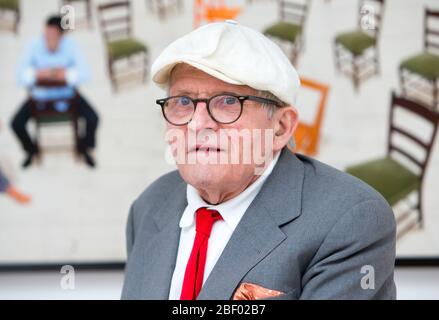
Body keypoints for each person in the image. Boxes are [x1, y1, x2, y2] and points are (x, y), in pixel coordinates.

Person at [121, 21, 396, 300]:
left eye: (227, 101)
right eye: (182, 102)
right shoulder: (148, 207)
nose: (196, 124)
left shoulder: (351, 219)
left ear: (280, 127)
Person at [11, 15, 99, 168]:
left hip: (67, 98)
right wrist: (38, 74)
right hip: (39, 100)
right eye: (46, 34)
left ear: (62, 35)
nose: (48, 39)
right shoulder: (33, 45)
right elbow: (19, 75)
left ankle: (84, 148)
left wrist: (65, 74)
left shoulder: (71, 45)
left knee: (93, 118)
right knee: (16, 123)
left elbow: (85, 74)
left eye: (53, 35)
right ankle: (31, 150)